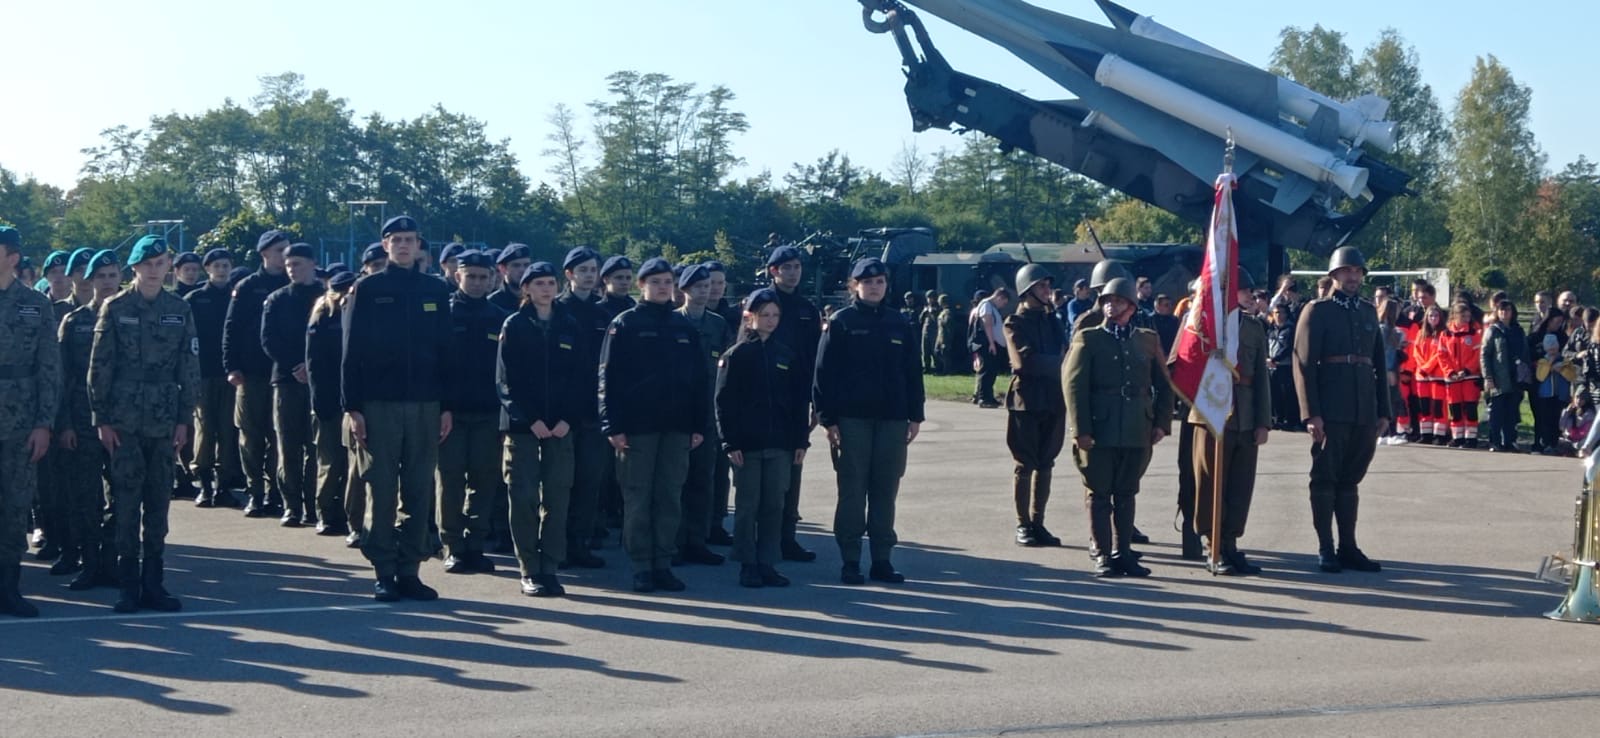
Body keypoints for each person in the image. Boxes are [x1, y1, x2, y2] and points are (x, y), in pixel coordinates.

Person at [342, 215, 453, 603]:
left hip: (425, 403)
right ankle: (384, 570)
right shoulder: (368, 289)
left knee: (421, 489)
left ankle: (411, 570)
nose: (404, 246)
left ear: (419, 245)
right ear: (385, 244)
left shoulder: (435, 289)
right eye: (396, 239)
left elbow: (444, 352)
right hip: (380, 404)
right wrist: (352, 407)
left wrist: (446, 406)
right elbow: (350, 352)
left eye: (410, 239)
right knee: (382, 487)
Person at [88, 235, 199, 612]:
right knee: (125, 502)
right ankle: (128, 585)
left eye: (160, 263)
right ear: (134, 268)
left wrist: (185, 418)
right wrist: (101, 417)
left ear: (169, 266)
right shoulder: (116, 308)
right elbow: (99, 367)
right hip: (124, 420)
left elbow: (189, 366)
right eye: (147, 264)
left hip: (165, 419)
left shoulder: (179, 309)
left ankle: (154, 583)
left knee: (158, 502)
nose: (154, 270)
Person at [599, 257, 710, 593]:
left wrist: (698, 424)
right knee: (637, 497)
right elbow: (608, 378)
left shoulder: (684, 327)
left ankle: (663, 561)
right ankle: (641, 565)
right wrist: (612, 425)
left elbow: (699, 380)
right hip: (637, 428)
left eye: (667, 282)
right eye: (656, 282)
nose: (663, 287)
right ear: (641, 285)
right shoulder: (625, 323)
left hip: (676, 427)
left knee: (669, 497)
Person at [813, 258, 924, 584]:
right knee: (852, 490)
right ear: (855, 286)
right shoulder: (841, 322)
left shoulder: (899, 322)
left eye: (880, 281)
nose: (875, 287)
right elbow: (823, 374)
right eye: (868, 282)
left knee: (885, 489)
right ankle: (850, 559)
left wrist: (915, 414)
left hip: (892, 418)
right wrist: (827, 419)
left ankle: (881, 559)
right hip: (852, 420)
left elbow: (912, 372)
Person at [1064, 276, 1172, 578]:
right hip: (1100, 427)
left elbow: (1164, 383)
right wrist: (1080, 430)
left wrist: (1162, 422)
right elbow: (1074, 387)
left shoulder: (1147, 339)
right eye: (1107, 301)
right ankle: (1102, 553)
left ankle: (1123, 552)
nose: (1111, 306)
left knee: (1126, 493)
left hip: (1138, 426)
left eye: (1118, 301)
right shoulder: (1088, 338)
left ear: (1131, 306)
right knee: (1099, 493)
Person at [1293, 246, 1389, 574]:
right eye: (1347, 271)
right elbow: (1303, 364)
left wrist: (1384, 411)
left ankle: (1348, 546)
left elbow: (1378, 361)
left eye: (1358, 271)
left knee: (1350, 480)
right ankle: (1325, 547)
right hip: (1331, 408)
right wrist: (1311, 414)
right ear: (1334, 275)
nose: (1353, 277)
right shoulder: (1316, 311)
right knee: (1325, 479)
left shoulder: (1366, 310)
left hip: (1363, 408)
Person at [717, 288, 809, 588]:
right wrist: (729, 442)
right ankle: (747, 562)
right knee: (748, 505)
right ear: (750, 317)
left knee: (774, 505)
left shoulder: (786, 355)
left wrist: (799, 441)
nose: (770, 321)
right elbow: (723, 403)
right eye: (764, 315)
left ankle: (768, 561)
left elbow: (797, 403)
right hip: (748, 445)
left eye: (775, 316)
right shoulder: (737, 355)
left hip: (780, 444)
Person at [499, 262, 580, 597]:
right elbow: (505, 382)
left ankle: (550, 566)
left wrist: (566, 419)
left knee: (558, 499)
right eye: (539, 283)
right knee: (524, 499)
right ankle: (529, 568)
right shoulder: (515, 325)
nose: (547, 289)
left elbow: (581, 378)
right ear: (527, 289)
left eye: (551, 283)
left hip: (560, 428)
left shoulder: (569, 324)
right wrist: (528, 419)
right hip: (523, 429)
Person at [430, 250, 508, 573]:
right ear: (457, 276)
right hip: (452, 413)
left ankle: (475, 544)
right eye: (470, 276)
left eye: (482, 277)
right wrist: (441, 407)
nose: (476, 282)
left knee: (484, 479)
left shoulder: (501, 316)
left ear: (492, 279)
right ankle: (452, 545)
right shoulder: (442, 314)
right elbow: (433, 366)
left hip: (488, 414)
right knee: (449, 480)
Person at [1189, 274, 1272, 575]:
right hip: (1212, 411)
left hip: (1246, 414)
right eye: (1245, 290)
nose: (1251, 295)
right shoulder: (1203, 324)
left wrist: (1263, 421)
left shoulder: (1252, 327)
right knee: (1212, 481)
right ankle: (1213, 545)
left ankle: (1231, 543)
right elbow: (1185, 364)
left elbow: (1261, 378)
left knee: (1240, 485)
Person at [0, 226, 62, 617]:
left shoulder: (35, 304)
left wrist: (44, 424)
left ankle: (9, 587)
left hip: (20, 421)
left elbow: (49, 369)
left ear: (12, 257)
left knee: (15, 505)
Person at [56, 250, 122, 589]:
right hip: (81, 422)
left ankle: (112, 561)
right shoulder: (75, 321)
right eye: (101, 276)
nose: (108, 282)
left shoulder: (128, 317)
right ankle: (90, 562)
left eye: (113, 275)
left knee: (122, 494)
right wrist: (64, 424)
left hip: (122, 421)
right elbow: (62, 378)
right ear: (90, 281)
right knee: (85, 497)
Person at [552, 247, 611, 565]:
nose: (590, 275)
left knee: (590, 481)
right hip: (562, 414)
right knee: (560, 484)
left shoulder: (603, 315)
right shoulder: (557, 310)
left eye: (593, 269)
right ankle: (556, 546)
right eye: (583, 270)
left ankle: (579, 544)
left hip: (593, 414)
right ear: (569, 274)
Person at [225, 230, 290, 517]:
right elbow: (232, 327)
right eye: (279, 250)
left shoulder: (293, 284)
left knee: (280, 438)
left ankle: (278, 493)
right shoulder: (248, 286)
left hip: (283, 374)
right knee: (250, 436)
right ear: (264, 253)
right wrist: (231, 366)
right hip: (250, 374)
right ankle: (255, 493)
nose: (285, 256)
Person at [261, 244, 326, 526]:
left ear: (313, 264)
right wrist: (295, 366)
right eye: (288, 265)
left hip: (319, 381)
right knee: (287, 445)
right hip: (286, 380)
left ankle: (313, 505)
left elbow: (331, 340)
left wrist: (311, 367)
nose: (292, 269)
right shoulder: (276, 299)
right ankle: (291, 505)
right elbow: (269, 340)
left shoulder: (325, 298)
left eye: (298, 264)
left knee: (315, 447)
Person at [1003, 264, 1067, 548]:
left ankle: (1039, 522)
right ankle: (1023, 524)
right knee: (1024, 463)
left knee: (1046, 462)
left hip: (1053, 398)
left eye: (1047, 286)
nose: (1047, 291)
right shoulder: (1014, 323)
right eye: (1041, 286)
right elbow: (1024, 361)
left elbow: (1065, 351)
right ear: (1027, 290)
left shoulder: (1053, 320)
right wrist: (1061, 365)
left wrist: (1059, 364)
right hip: (1026, 401)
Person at [765, 245, 822, 562]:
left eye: (797, 266)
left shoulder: (806, 309)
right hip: (764, 396)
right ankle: (762, 537)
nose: (793, 272)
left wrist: (815, 400)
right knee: (763, 470)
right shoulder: (762, 303)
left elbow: (816, 358)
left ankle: (787, 535)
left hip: (796, 397)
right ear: (774, 271)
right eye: (786, 267)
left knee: (793, 466)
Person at [675, 264, 734, 567]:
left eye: (707, 286)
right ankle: (672, 541)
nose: (704, 291)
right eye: (697, 286)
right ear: (684, 290)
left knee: (703, 479)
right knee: (673, 482)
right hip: (675, 415)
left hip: (708, 415)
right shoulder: (672, 322)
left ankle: (696, 541)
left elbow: (728, 369)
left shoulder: (718, 324)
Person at [185, 248, 242, 506]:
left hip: (230, 374)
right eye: (217, 265)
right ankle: (204, 484)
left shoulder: (237, 296)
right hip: (202, 373)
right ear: (207, 269)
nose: (222, 270)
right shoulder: (195, 299)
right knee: (205, 430)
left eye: (226, 265)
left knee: (228, 431)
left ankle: (224, 486)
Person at [306, 270, 356, 537]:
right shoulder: (323, 317)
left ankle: (348, 516)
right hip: (328, 399)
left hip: (351, 401)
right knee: (329, 461)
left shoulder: (358, 317)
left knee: (351, 465)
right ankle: (325, 513)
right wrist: (319, 401)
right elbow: (314, 364)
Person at [1481, 300, 1524, 453]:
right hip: (1499, 378)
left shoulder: (1518, 330)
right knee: (1496, 413)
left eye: (1507, 310)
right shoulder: (1493, 331)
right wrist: (1488, 377)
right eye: (1501, 310)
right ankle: (1494, 441)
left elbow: (1524, 352)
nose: (1504, 313)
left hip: (1515, 378)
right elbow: (1484, 355)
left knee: (1512, 412)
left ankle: (1510, 441)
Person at [1439, 303, 1483, 448]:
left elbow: (1477, 355)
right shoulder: (1445, 334)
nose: (1466, 319)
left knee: (1470, 408)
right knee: (1455, 409)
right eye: (1463, 316)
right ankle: (1457, 437)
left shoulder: (1474, 333)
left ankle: (1471, 438)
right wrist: (1450, 372)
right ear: (1455, 315)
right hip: (1452, 379)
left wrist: (1467, 370)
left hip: (1469, 377)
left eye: (1468, 316)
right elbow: (1442, 355)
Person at [1532, 333, 1576, 455]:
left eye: (1554, 348)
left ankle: (1556, 443)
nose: (1552, 351)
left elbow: (1571, 376)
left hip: (1561, 396)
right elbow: (1540, 377)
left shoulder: (1565, 361)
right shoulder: (1542, 361)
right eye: (1549, 348)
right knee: (1547, 420)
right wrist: (1550, 366)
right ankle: (1546, 443)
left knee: (1559, 420)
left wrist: (1561, 369)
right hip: (1546, 396)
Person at [969, 288, 1009, 408]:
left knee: (992, 371)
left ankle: (989, 396)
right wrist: (991, 343)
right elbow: (988, 324)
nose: (1003, 305)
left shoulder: (992, 307)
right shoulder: (986, 305)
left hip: (993, 343)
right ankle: (983, 398)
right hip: (988, 344)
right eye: (1004, 302)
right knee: (986, 371)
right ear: (999, 297)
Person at [1268, 303, 1300, 430]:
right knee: (1275, 395)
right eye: (1276, 312)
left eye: (1281, 312)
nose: (1279, 315)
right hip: (1272, 367)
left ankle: (1290, 420)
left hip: (1285, 366)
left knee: (1287, 394)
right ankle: (1278, 419)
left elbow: (1287, 348)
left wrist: (1275, 359)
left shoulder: (1290, 330)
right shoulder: (1271, 330)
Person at [489, 243, 531, 313]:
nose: (522, 270)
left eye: (526, 265)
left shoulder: (536, 299)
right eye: (516, 265)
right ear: (503, 269)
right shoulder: (492, 303)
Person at [935, 294, 961, 374]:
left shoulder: (948, 313)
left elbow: (949, 327)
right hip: (940, 336)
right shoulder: (943, 312)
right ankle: (942, 368)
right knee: (937, 352)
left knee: (945, 354)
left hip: (945, 337)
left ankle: (947, 370)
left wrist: (947, 340)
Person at [920, 288, 941, 373]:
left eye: (930, 298)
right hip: (925, 330)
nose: (929, 300)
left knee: (934, 350)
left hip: (934, 331)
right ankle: (927, 367)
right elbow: (920, 320)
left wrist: (932, 312)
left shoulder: (938, 308)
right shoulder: (926, 307)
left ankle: (937, 366)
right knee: (925, 350)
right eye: (928, 298)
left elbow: (937, 320)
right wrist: (924, 312)